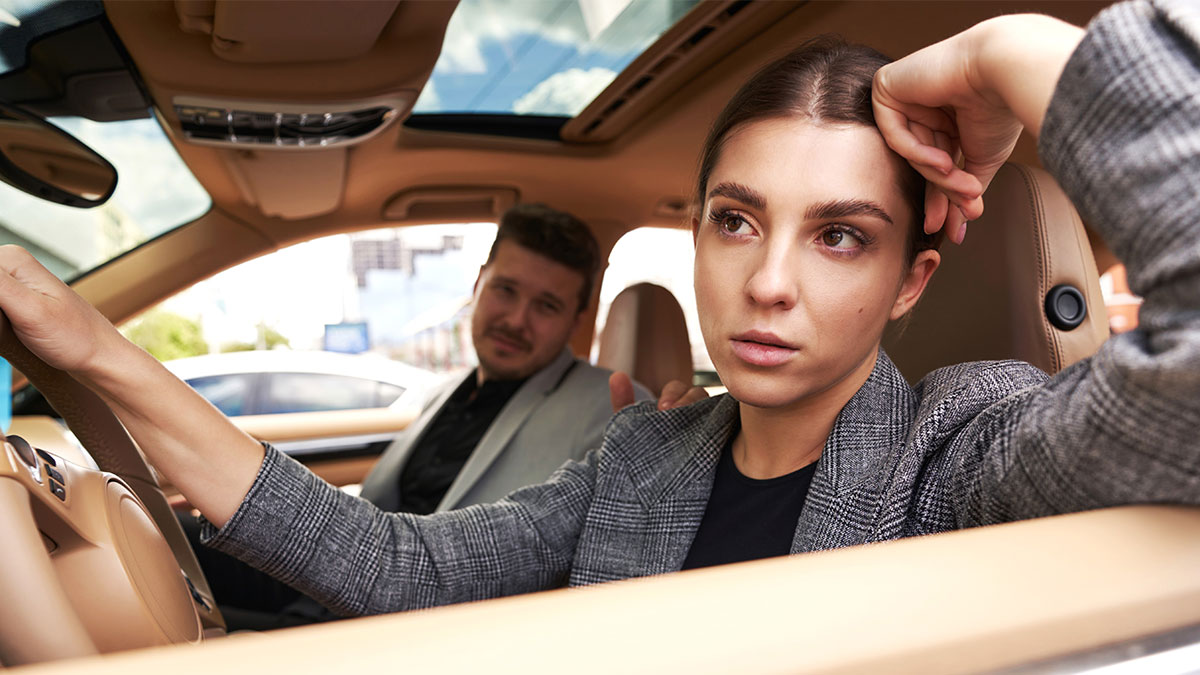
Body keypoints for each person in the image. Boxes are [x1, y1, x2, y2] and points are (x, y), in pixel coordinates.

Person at [0, 0, 1195, 618]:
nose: (768, 279)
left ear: (912, 280)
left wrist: (1012, 54)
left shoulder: (965, 447)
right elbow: (395, 566)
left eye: (841, 237)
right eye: (735, 220)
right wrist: (88, 345)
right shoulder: (644, 458)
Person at [188, 202, 658, 628]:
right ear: (478, 283)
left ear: (577, 320)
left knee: (174, 634)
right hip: (332, 587)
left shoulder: (613, 409)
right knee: (175, 536)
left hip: (414, 626)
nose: (516, 320)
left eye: (546, 306)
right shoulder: (447, 390)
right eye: (506, 291)